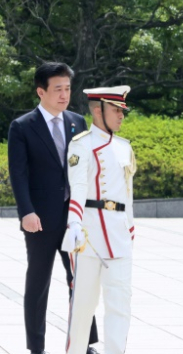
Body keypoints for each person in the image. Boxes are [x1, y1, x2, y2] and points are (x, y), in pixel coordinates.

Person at [7, 62, 99, 354]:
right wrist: (26, 213)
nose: (64, 95)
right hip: (41, 218)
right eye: (57, 89)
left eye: (68, 88)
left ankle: (84, 344)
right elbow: (18, 173)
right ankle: (36, 347)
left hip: (74, 216)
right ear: (40, 91)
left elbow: (85, 169)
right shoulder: (22, 127)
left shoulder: (77, 122)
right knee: (39, 282)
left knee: (80, 280)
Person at [62, 85, 136, 354]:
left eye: (122, 111)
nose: (121, 116)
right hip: (89, 237)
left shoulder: (124, 147)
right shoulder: (81, 145)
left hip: (119, 236)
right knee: (83, 308)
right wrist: (74, 224)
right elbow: (78, 188)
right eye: (116, 110)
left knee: (120, 307)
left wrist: (130, 229)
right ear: (97, 110)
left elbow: (127, 194)